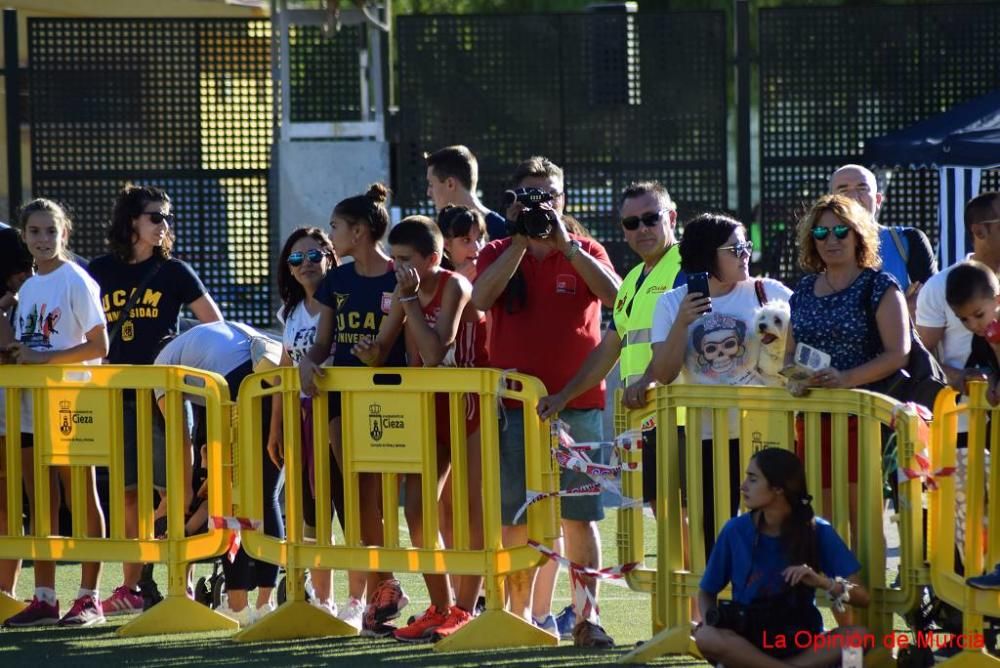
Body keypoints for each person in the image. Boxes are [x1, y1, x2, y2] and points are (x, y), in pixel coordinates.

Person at [471, 155, 620, 648]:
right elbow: (479, 300)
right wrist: (519, 240)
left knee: (579, 517)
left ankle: (586, 619)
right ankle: (518, 620)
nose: (542, 205)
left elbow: (617, 298)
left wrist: (566, 247)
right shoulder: (498, 249)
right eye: (530, 197)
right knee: (513, 517)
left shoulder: (586, 248)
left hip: (576, 406)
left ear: (564, 199)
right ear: (512, 203)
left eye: (549, 196)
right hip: (513, 411)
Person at [87, 184, 223, 617]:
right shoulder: (99, 270)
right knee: (127, 494)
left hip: (165, 396)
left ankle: (177, 584)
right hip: (117, 395)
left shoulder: (175, 272)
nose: (165, 224)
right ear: (132, 221)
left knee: (175, 491)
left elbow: (213, 326)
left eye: (167, 217)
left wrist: (179, 349)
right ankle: (132, 587)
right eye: (155, 217)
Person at [299, 183, 409, 637]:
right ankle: (383, 586)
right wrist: (310, 358)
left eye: (337, 227)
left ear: (360, 231)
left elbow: (391, 344)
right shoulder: (336, 281)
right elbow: (325, 340)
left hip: (390, 397)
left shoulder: (398, 275)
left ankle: (386, 586)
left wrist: (376, 352)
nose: (332, 235)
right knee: (356, 492)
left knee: (383, 496)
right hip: (342, 398)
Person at [370, 216, 487, 642]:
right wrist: (364, 351)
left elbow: (437, 351)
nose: (396, 267)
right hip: (428, 410)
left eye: (404, 259)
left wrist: (409, 303)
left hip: (469, 407)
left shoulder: (453, 284)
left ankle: (465, 610)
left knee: (471, 514)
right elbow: (380, 349)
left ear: (432, 259)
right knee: (417, 508)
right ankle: (440, 605)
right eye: (393, 258)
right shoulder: (403, 291)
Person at [539, 181, 682, 521]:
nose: (642, 229)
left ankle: (701, 577)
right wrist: (563, 396)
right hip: (647, 419)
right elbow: (609, 350)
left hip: (685, 418)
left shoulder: (687, 266)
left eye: (651, 218)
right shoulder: (632, 278)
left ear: (672, 218)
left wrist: (649, 379)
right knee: (665, 513)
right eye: (631, 223)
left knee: (688, 514)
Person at [650, 212, 792, 556]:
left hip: (767, 434)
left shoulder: (767, 292)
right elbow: (665, 373)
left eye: (746, 246)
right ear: (706, 255)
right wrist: (683, 323)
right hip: (709, 440)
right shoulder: (671, 303)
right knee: (714, 537)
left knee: (775, 532)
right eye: (735, 248)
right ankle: (718, 608)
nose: (745, 254)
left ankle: (767, 607)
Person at [1, 199, 109, 627]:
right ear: (24, 237)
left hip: (72, 402)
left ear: (65, 233)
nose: (43, 240)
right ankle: (45, 598)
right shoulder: (27, 288)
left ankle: (89, 599)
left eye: (51, 231)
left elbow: (100, 346)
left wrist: (43, 360)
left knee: (81, 495)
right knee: (39, 500)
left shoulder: (75, 279)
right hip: (29, 408)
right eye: (34, 232)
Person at [785, 195, 910, 543]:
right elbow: (789, 354)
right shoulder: (805, 288)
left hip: (864, 418)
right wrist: (795, 380)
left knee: (863, 521)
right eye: (821, 233)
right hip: (811, 420)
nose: (831, 240)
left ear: (858, 235)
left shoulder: (879, 285)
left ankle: (870, 596)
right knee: (822, 523)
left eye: (841, 230)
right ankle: (832, 593)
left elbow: (899, 352)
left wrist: (846, 380)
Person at [152, 321, 284, 627]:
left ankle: (237, 605)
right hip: (278, 370)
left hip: (239, 380)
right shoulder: (208, 337)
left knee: (232, 500)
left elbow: (179, 437)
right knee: (265, 496)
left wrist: (183, 496)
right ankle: (266, 603)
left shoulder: (161, 366)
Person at [266, 226, 367, 628]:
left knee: (352, 510)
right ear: (287, 269)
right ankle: (322, 601)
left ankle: (357, 600)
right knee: (311, 514)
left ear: (329, 256)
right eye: (296, 258)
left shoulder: (344, 301)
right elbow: (284, 371)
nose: (306, 264)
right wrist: (276, 428)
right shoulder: (289, 313)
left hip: (343, 417)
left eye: (314, 255)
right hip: (304, 422)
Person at [693, 448, 870, 667]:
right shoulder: (735, 530)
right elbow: (706, 591)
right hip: (747, 641)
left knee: (857, 636)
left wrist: (823, 582)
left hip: (800, 641)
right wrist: (713, 620)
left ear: (778, 488)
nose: (743, 486)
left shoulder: (817, 531)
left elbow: (863, 597)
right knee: (705, 635)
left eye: (753, 479)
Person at [917, 192, 1000, 400]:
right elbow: (919, 355)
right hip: (959, 421)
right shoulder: (940, 286)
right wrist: (959, 376)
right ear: (979, 231)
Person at [829, 164, 936, 314]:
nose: (853, 197)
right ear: (829, 202)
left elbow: (930, 304)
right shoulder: (822, 246)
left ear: (878, 200)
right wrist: (901, 308)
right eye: (843, 190)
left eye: (862, 188)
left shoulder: (908, 240)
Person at [0, 227, 33, 603]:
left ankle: (6, 590)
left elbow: (9, 345)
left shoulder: (24, 297)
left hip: (14, 410)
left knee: (10, 500)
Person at [425, 145, 506, 241]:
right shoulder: (438, 234)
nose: (428, 193)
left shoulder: (502, 232)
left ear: (450, 184)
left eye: (431, 184)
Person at [436, 204, 487, 283]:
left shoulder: (495, 269)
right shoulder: (433, 281)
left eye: (479, 238)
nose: (477, 247)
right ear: (446, 244)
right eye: (466, 240)